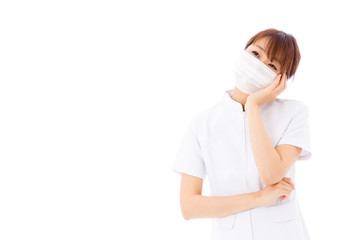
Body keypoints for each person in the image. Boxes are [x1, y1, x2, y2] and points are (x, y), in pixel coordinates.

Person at [172, 28, 312, 240]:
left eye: (272, 65)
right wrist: (259, 198)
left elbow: (271, 174)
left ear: (281, 80)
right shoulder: (202, 124)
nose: (258, 65)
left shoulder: (294, 113)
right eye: (255, 54)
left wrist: (253, 104)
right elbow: (189, 207)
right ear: (243, 52)